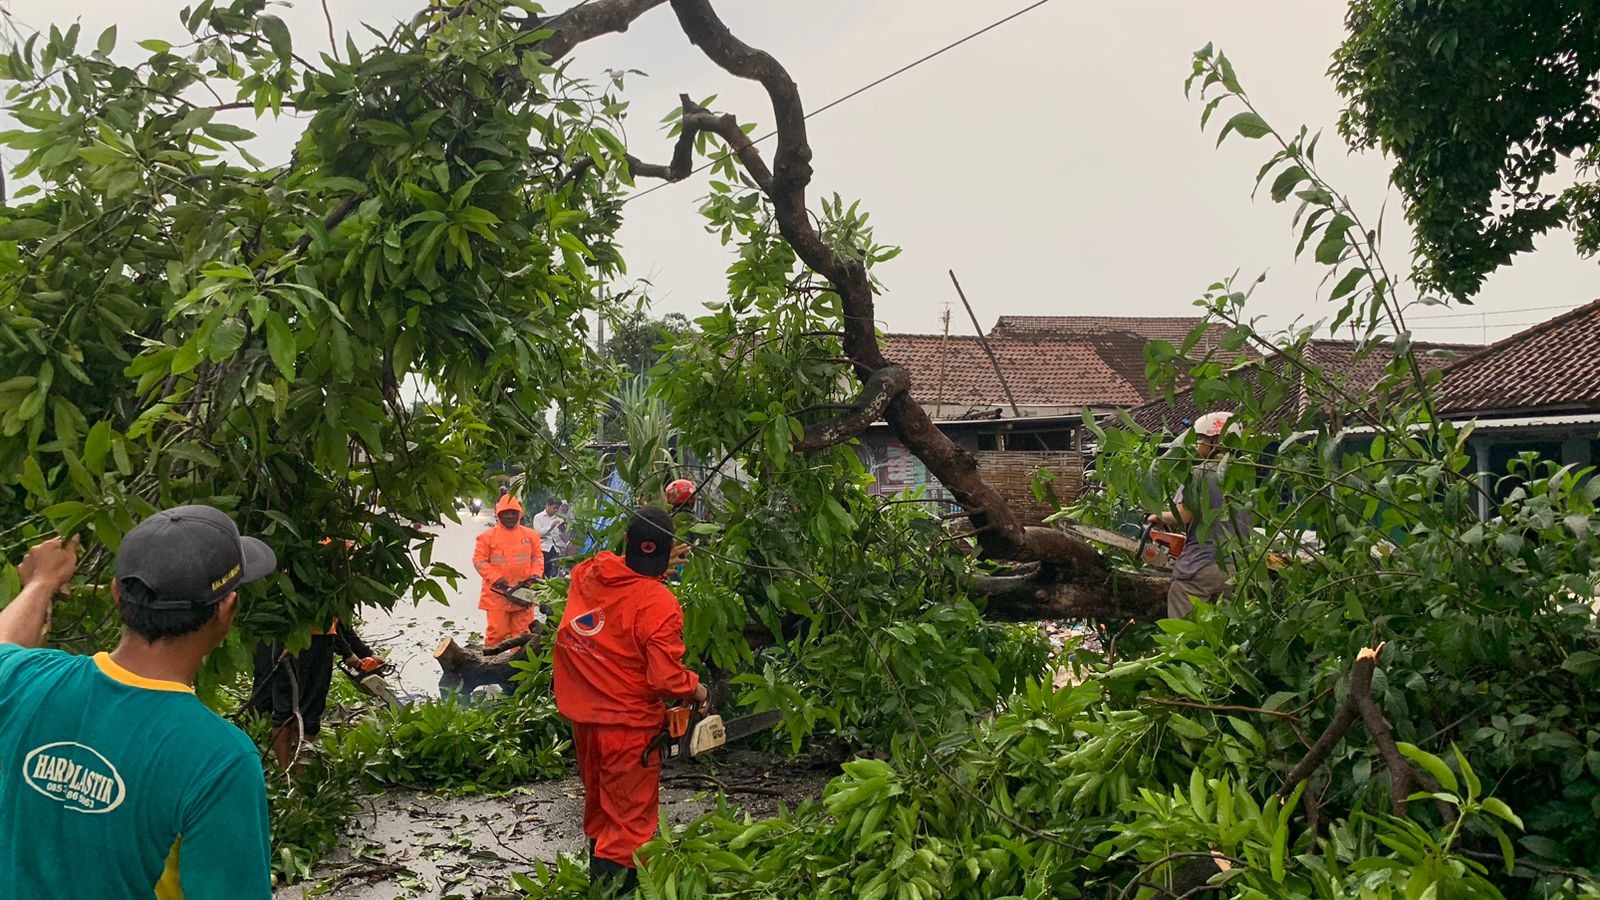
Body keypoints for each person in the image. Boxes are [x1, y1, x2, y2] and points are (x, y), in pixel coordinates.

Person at [0, 506, 275, 898]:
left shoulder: (29, 682)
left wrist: (41, 583)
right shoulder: (218, 759)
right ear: (226, 610)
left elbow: (5, 641)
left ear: (117, 594)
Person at [553, 507, 704, 892]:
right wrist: (697, 689)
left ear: (626, 544)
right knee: (630, 825)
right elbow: (666, 677)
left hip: (585, 721)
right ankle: (616, 891)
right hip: (628, 728)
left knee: (601, 810)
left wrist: (640, 564)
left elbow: (617, 569)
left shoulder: (588, 573)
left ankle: (596, 885)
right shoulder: (658, 604)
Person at [1148, 411, 1252, 618]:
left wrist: (1158, 516)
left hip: (1201, 565)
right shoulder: (1245, 475)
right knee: (1227, 628)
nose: (1197, 444)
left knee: (1184, 627)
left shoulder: (1199, 474)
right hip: (1237, 567)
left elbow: (1183, 516)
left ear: (1215, 441)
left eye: (1201, 438)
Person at [249, 617, 384, 770]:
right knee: (310, 712)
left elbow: (339, 620)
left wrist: (365, 653)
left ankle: (284, 773)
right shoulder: (325, 598)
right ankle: (301, 773)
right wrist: (348, 653)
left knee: (283, 707)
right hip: (315, 638)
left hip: (280, 635)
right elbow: (327, 615)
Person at [474, 492, 545, 646]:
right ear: (499, 514)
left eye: (514, 513)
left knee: (524, 636)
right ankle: (491, 665)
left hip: (524, 592)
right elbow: (479, 561)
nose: (511, 516)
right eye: (506, 513)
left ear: (519, 514)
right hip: (497, 595)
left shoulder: (531, 536)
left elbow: (537, 557)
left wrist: (535, 575)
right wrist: (496, 578)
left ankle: (518, 668)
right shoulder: (487, 537)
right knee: (496, 635)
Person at [532, 498, 565, 575]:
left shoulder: (559, 519)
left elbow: (562, 537)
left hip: (556, 548)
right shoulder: (538, 517)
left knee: (554, 571)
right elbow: (537, 533)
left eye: (557, 508)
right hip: (543, 547)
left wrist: (562, 531)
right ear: (547, 506)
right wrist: (550, 527)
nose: (556, 510)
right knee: (543, 570)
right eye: (554, 508)